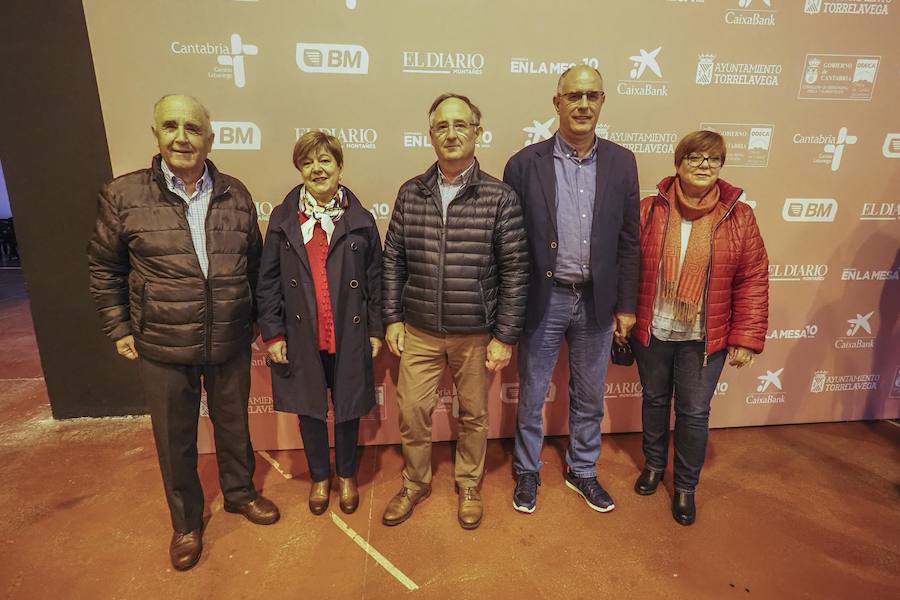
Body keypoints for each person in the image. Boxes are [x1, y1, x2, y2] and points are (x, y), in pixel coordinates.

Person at [87, 95, 279, 571]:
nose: (182, 137)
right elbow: (104, 267)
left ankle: (239, 493)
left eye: (193, 128)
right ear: (156, 134)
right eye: (170, 126)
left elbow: (253, 264)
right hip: (163, 343)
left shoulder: (235, 191)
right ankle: (187, 522)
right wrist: (119, 327)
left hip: (230, 338)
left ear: (209, 139)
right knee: (175, 441)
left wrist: (251, 317)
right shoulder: (123, 195)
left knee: (234, 426)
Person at [381, 93, 528, 529]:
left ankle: (468, 483)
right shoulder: (412, 192)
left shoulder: (500, 197)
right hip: (420, 329)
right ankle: (416, 482)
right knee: (411, 411)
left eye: (460, 125)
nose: (451, 133)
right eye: (442, 126)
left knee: (475, 415)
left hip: (476, 332)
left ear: (477, 133)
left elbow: (516, 270)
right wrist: (391, 317)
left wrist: (504, 337)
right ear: (430, 136)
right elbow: (393, 259)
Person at [503, 65, 640, 514]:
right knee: (533, 390)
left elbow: (628, 240)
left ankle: (583, 471)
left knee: (589, 393)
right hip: (545, 298)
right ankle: (527, 471)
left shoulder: (623, 162)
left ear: (602, 102)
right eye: (574, 96)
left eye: (592, 96)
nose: (583, 104)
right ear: (557, 102)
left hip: (598, 301)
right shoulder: (524, 165)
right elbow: (510, 243)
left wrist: (626, 304)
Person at [631, 130, 768, 525]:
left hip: (705, 338)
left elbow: (753, 277)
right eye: (695, 157)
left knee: (693, 412)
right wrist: (623, 315)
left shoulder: (739, 216)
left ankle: (686, 486)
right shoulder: (650, 210)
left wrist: (746, 338)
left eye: (713, 159)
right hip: (654, 328)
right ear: (678, 163)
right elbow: (628, 267)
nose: (704, 166)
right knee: (655, 401)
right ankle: (655, 467)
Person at [256, 131, 383, 516]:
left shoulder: (361, 220)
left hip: (348, 331)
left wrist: (376, 328)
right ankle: (320, 477)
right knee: (310, 409)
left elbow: (377, 279)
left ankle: (345, 475)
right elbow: (268, 282)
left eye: (325, 160)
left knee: (346, 407)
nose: (317, 168)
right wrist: (274, 333)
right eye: (308, 162)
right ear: (300, 169)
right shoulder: (282, 220)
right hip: (301, 334)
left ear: (340, 167)